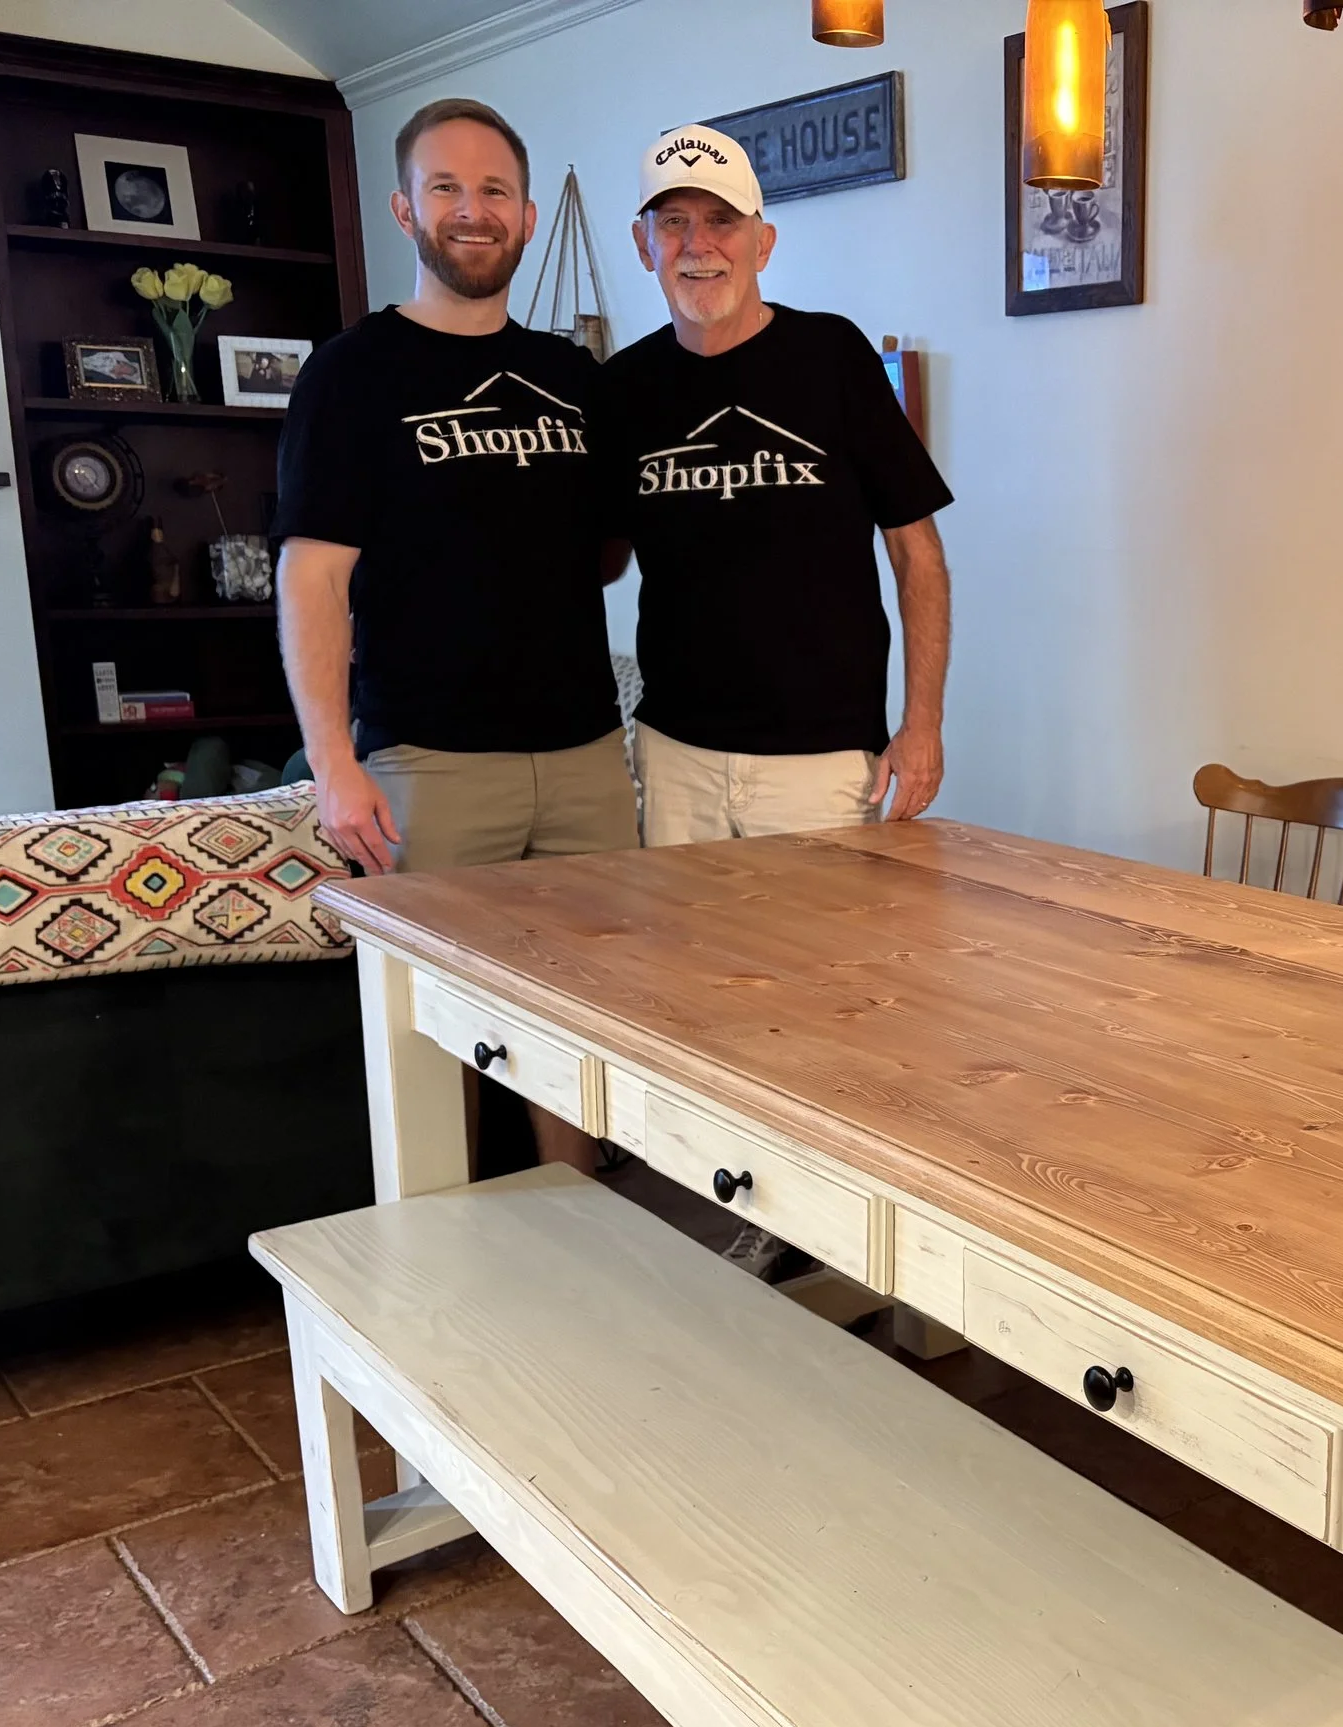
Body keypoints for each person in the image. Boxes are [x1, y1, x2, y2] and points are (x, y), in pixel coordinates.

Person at [273, 97, 632, 1173]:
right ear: (403, 209)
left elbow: (608, 551)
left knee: (588, 1009)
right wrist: (334, 765)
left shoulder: (575, 380)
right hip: (428, 757)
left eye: (492, 192)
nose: (471, 212)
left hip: (582, 753)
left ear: (524, 216)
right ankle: (436, 1248)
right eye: (446, 188)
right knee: (431, 1018)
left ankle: (581, 1213)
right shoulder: (350, 374)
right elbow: (310, 578)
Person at [605, 123, 954, 846]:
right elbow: (601, 554)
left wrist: (922, 726)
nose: (698, 245)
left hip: (823, 759)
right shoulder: (623, 387)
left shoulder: (833, 357)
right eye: (674, 222)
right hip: (675, 754)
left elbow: (917, 553)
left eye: (722, 221)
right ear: (645, 246)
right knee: (684, 959)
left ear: (762, 242)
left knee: (827, 961)